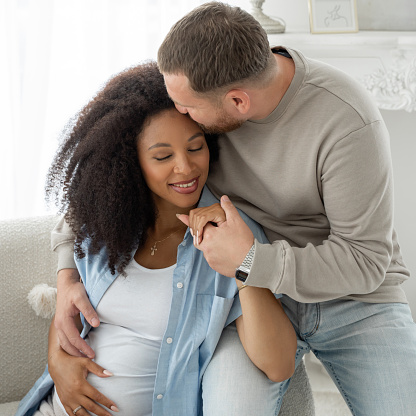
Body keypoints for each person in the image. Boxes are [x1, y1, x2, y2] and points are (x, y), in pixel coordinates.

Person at [50, 1, 416, 416]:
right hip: (246, 301)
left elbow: (366, 261)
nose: (180, 113)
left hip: (353, 300)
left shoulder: (346, 120)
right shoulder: (194, 87)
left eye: (188, 111)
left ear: (238, 102)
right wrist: (67, 278)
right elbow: (104, 184)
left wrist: (250, 260)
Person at [16, 61, 300, 416]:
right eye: (163, 156)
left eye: (196, 148)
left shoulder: (228, 235)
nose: (185, 167)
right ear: (130, 162)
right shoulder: (107, 226)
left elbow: (279, 364)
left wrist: (245, 259)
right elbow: (73, 315)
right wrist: (57, 362)